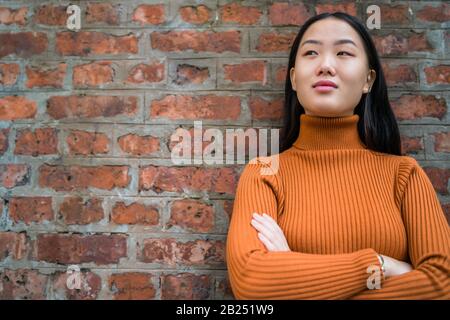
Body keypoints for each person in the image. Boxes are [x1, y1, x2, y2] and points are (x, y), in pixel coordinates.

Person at [225, 12, 450, 300]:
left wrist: (295, 276)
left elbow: (441, 284)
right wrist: (381, 264)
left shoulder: (403, 174)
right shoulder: (265, 172)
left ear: (368, 80)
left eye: (343, 52)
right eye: (311, 53)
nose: (326, 65)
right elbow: (252, 282)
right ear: (294, 78)